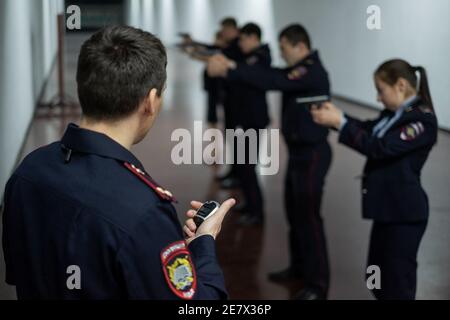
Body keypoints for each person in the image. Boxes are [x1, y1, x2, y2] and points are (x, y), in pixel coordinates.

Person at [2, 26, 235, 300]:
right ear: (149, 101)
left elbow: (21, 273)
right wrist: (203, 244)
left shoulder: (28, 171)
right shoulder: (145, 211)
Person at [208, 24, 332, 300]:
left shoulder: (310, 69)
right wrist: (232, 65)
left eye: (285, 48)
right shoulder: (299, 69)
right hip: (299, 154)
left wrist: (231, 67)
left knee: (309, 220)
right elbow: (276, 75)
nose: (282, 54)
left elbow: (275, 80)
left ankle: (318, 285)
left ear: (299, 46)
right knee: (295, 215)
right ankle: (299, 269)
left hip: (311, 155)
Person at [310, 59, 438, 300]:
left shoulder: (422, 120)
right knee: (376, 277)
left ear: (401, 85)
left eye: (381, 90)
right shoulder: (395, 114)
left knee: (398, 282)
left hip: (405, 213)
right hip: (387, 209)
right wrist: (339, 117)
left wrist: (341, 123)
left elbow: (380, 147)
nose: (378, 98)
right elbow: (369, 129)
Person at [231, 22, 272, 226]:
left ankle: (257, 212)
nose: (240, 43)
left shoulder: (262, 56)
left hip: (254, 120)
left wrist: (233, 67)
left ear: (253, 38)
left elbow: (247, 73)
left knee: (248, 165)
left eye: (243, 39)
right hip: (245, 118)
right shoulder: (249, 57)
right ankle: (249, 203)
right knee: (241, 164)